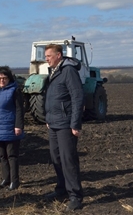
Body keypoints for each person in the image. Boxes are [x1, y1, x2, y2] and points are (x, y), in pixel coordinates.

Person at [43, 44, 85, 211]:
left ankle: (75, 195)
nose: (46, 58)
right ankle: (61, 188)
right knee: (56, 157)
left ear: (58, 55)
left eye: (48, 55)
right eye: (45, 56)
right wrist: (48, 118)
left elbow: (77, 97)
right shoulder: (53, 71)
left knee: (68, 159)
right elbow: (52, 97)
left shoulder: (68, 71)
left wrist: (75, 124)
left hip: (66, 124)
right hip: (53, 122)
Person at [0, 66, 25, 191]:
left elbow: (19, 109)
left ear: (9, 78)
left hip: (10, 127)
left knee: (12, 155)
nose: (2, 80)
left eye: (4, 78)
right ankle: (5, 178)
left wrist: (18, 126)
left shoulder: (15, 91)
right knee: (2, 155)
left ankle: (15, 181)